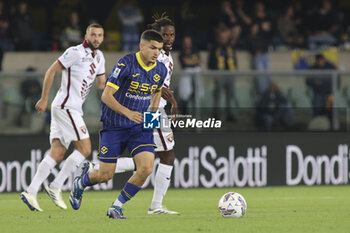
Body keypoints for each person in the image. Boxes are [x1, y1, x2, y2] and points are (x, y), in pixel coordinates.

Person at [69, 29, 167, 220]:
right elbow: (106, 96)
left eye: (160, 49)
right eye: (153, 48)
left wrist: (151, 121)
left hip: (140, 127)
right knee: (105, 175)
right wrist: (128, 113)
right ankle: (81, 183)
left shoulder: (160, 70)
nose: (156, 53)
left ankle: (116, 206)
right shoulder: (126, 63)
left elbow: (156, 93)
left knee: (146, 168)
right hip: (115, 125)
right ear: (141, 46)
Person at [20, 23, 106, 212]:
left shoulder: (99, 57)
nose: (97, 38)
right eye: (93, 35)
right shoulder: (75, 52)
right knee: (85, 149)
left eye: (100, 35)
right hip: (66, 107)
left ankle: (31, 191)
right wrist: (44, 99)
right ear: (86, 35)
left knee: (57, 152)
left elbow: (102, 84)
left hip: (72, 109)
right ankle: (56, 186)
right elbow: (51, 71)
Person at [100, 13, 180, 215]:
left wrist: (169, 99)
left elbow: (159, 86)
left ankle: (155, 205)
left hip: (155, 107)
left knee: (158, 157)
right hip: (153, 109)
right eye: (165, 35)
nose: (168, 39)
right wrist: (169, 101)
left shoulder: (166, 57)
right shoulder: (156, 56)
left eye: (172, 35)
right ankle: (156, 206)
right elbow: (152, 85)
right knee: (166, 156)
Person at [208, 25, 237, 121]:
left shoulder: (231, 47)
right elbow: (210, 62)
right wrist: (215, 73)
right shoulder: (215, 48)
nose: (223, 39)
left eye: (225, 37)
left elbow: (234, 60)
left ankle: (230, 114)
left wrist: (235, 71)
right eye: (222, 37)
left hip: (230, 74)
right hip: (219, 75)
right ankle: (216, 114)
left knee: (230, 95)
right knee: (218, 95)